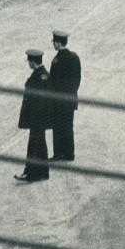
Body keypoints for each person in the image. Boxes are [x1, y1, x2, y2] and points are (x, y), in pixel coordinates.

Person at [15, 49, 52, 183]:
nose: (28, 64)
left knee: (34, 144)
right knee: (40, 144)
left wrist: (31, 118)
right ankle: (43, 172)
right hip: (40, 118)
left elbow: (39, 101)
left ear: (32, 62)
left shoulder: (40, 77)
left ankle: (32, 173)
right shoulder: (42, 75)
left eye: (29, 61)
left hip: (37, 118)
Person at [48, 29, 81, 163]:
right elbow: (76, 80)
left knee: (58, 127)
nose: (53, 44)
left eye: (54, 42)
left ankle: (60, 153)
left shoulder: (58, 59)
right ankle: (68, 153)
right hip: (68, 100)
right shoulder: (73, 57)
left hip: (59, 100)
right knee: (67, 126)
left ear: (58, 43)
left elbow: (53, 81)